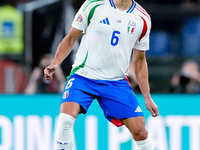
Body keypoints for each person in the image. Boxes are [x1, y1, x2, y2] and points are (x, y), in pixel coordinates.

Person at [44, 0, 159, 149]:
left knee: (140, 132)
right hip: (83, 76)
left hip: (116, 82)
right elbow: (71, 37)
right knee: (65, 119)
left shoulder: (142, 18)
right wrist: (55, 63)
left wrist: (147, 97)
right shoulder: (93, 4)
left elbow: (139, 60)